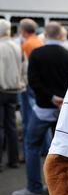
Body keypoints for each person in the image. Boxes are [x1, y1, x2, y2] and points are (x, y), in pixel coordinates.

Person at [12, 22, 68, 195]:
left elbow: (33, 81)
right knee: (61, 150)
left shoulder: (37, 54)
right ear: (61, 36)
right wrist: (62, 99)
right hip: (63, 110)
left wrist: (50, 97)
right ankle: (59, 188)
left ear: (46, 35)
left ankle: (33, 187)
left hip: (42, 108)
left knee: (32, 145)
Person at [19, 19, 47, 162]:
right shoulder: (40, 42)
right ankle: (45, 148)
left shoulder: (26, 45)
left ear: (23, 31)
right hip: (42, 85)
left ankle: (27, 153)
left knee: (30, 119)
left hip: (29, 85)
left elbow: (23, 67)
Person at [0, 19, 27, 172]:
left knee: (1, 126)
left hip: (1, 89)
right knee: (11, 126)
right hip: (14, 91)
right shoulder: (17, 46)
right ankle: (14, 160)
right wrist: (21, 83)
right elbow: (25, 68)